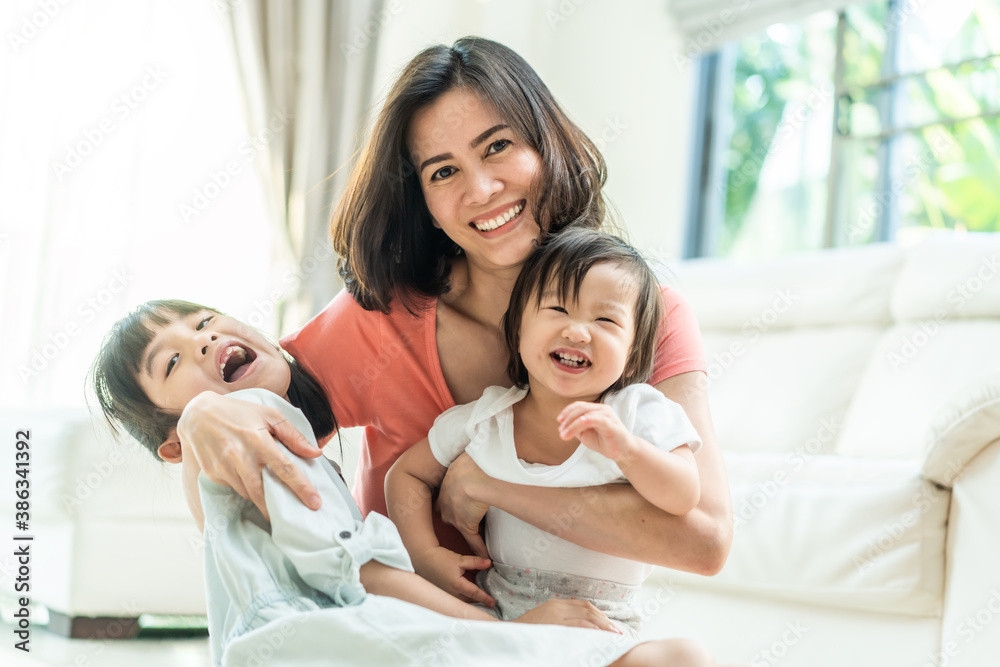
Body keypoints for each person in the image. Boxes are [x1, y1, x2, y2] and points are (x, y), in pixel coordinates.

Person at [175, 36, 733, 603]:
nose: (482, 190)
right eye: (443, 173)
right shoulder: (380, 321)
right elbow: (248, 447)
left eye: (497, 147)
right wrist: (201, 416)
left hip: (569, 636)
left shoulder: (642, 316)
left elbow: (704, 541)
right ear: (424, 204)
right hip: (408, 631)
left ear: (547, 145)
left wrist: (491, 488)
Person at [88, 299, 721, 667]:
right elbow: (352, 572)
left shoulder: (230, 454)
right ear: (176, 442)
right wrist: (513, 632)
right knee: (673, 659)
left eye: (205, 323)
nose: (204, 344)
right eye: (172, 361)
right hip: (337, 640)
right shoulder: (258, 428)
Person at [386, 229, 702, 637]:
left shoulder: (638, 412)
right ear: (518, 328)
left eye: (605, 319)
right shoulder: (486, 417)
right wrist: (426, 554)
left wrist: (628, 451)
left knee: (686, 657)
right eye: (557, 308)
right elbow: (406, 474)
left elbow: (684, 495)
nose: (578, 331)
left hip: (606, 622)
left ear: (633, 353)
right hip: (503, 616)